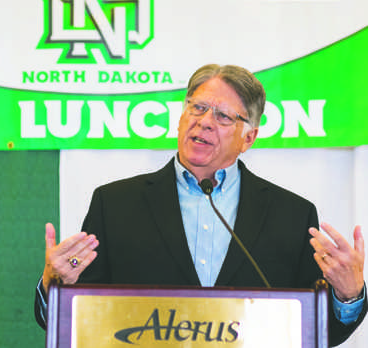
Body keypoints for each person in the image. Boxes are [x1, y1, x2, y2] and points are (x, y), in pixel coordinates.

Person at [34, 64, 366, 346]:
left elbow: (319, 331)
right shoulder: (115, 204)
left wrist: (348, 296)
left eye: (222, 116)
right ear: (181, 117)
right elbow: (76, 321)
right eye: (197, 107)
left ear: (248, 138)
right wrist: (55, 285)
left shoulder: (292, 215)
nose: (204, 121)